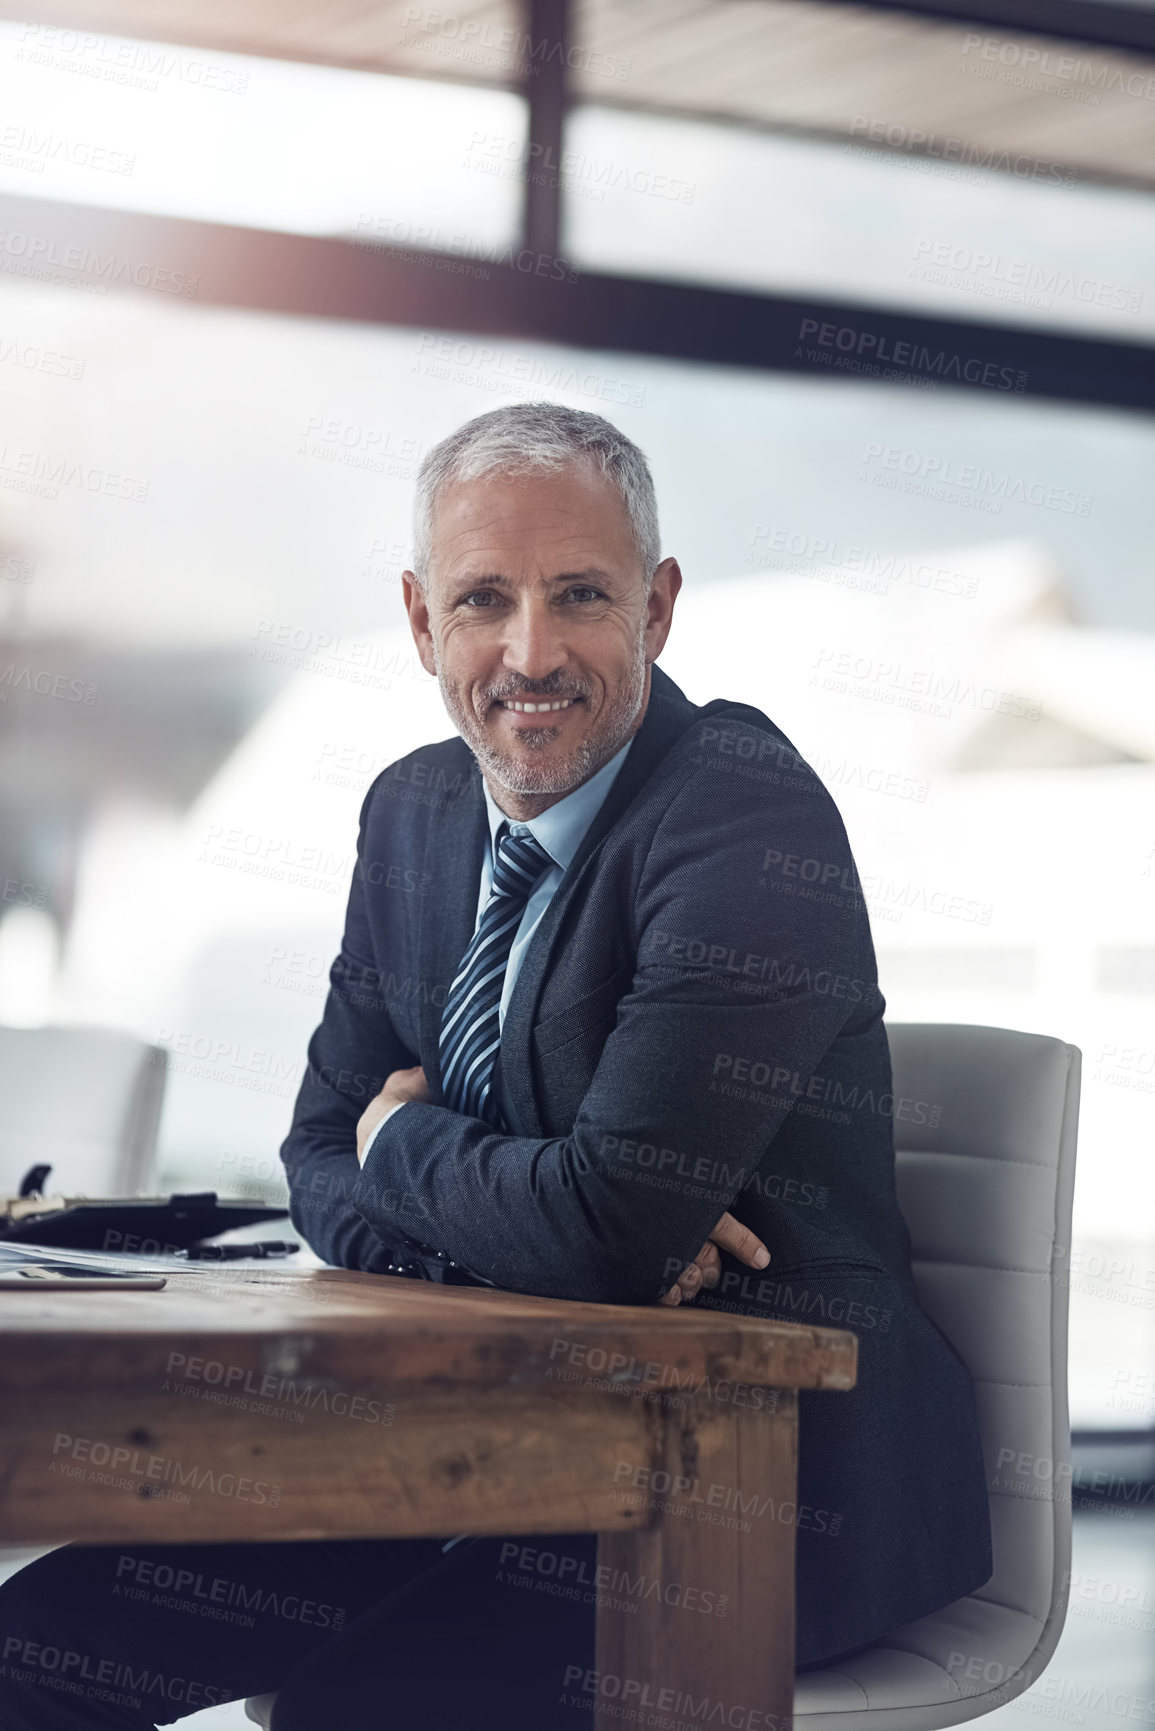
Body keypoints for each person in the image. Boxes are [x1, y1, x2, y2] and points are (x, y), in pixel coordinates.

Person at [0, 403, 991, 1729]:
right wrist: (534, 1220)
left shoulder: (745, 811)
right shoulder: (413, 811)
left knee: (358, 1711)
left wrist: (402, 1145)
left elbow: (587, 1226)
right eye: (484, 599)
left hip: (747, 1491)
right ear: (421, 623)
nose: (532, 652)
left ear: (657, 607)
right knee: (44, 1645)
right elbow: (314, 1162)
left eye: (581, 594)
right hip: (478, 1452)